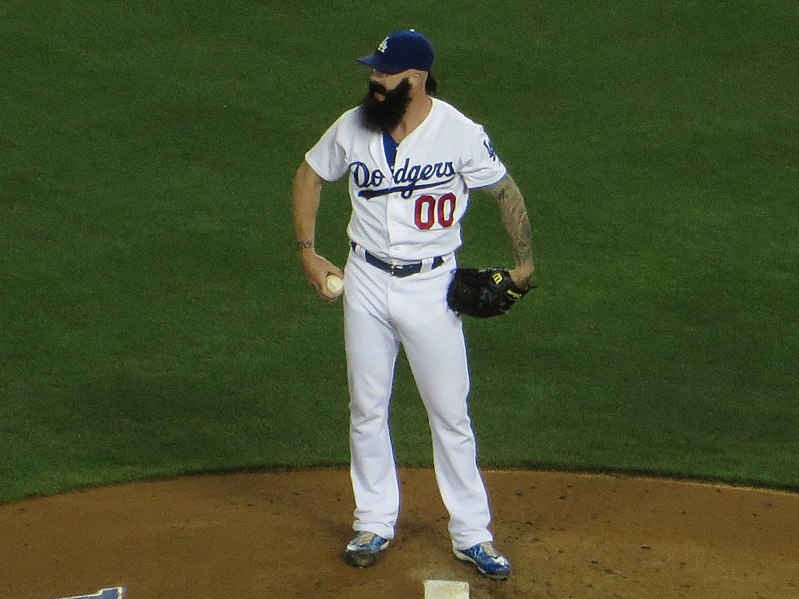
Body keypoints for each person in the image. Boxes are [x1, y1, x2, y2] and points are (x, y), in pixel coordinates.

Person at [291, 29, 534, 580]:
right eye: (374, 71)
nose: (374, 81)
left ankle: (472, 534)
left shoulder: (459, 133)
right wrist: (308, 251)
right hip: (366, 282)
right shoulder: (353, 126)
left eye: (385, 73)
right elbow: (310, 173)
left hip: (432, 287)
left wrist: (524, 265)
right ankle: (373, 521)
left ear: (416, 78)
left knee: (450, 412)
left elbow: (506, 192)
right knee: (367, 406)